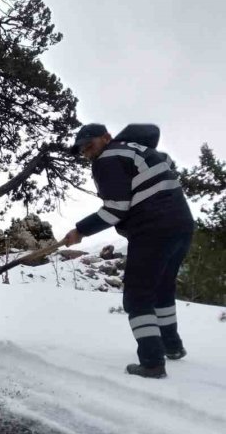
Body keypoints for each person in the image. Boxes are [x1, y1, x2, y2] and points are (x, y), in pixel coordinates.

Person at [63, 123, 195, 378]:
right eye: (81, 150)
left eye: (89, 145)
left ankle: (152, 362)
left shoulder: (108, 158)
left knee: (137, 297)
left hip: (153, 228)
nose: (86, 153)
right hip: (182, 225)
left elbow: (116, 208)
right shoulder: (144, 151)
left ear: (106, 138)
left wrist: (80, 231)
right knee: (162, 289)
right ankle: (172, 346)